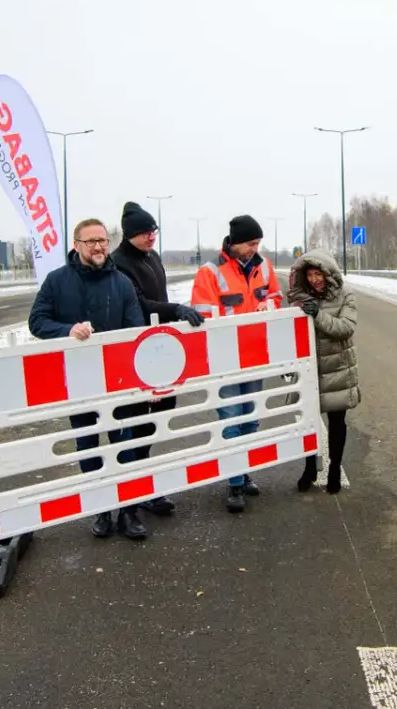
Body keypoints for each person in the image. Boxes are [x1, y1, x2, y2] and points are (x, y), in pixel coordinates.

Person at [28, 217, 147, 540]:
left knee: (125, 444)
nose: (98, 246)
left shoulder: (121, 282)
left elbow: (135, 328)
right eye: (90, 241)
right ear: (76, 245)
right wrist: (66, 331)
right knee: (88, 446)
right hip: (79, 382)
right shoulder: (57, 281)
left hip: (118, 382)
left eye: (102, 241)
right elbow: (37, 322)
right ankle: (101, 510)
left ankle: (128, 511)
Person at [110, 201, 207, 524]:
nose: (152, 237)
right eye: (144, 233)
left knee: (156, 419)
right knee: (135, 424)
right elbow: (138, 303)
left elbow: (158, 297)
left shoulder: (152, 257)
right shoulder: (119, 263)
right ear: (130, 235)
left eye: (154, 231)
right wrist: (176, 309)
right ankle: (132, 495)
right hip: (134, 351)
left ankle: (144, 484)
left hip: (159, 347)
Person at [190, 214, 284, 513]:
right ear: (235, 242)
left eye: (258, 243)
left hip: (256, 356)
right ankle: (233, 484)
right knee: (231, 417)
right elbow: (203, 314)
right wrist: (244, 320)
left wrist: (268, 305)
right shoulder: (210, 272)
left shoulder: (264, 266)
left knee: (251, 416)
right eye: (250, 243)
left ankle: (243, 472)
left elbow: (277, 296)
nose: (254, 249)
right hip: (226, 360)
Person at [286, 249, 360, 494]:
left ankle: (335, 467)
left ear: (328, 273)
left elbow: (345, 328)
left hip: (337, 367)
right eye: (309, 275)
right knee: (308, 422)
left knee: (337, 421)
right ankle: (309, 468)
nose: (314, 279)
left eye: (319, 273)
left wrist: (317, 314)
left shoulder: (346, 294)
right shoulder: (298, 297)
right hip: (308, 369)